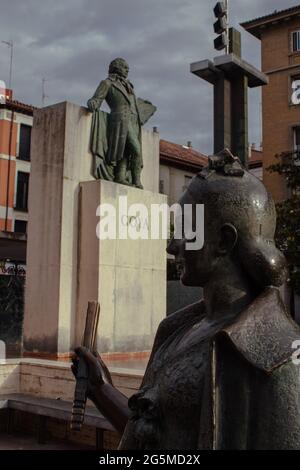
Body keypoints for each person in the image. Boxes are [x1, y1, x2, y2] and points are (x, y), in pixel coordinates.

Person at [72, 149, 300, 450]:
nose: (171, 245)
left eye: (185, 230)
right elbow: (149, 438)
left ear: (224, 241)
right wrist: (101, 389)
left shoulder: (278, 358)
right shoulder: (174, 331)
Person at [87, 58, 155, 189]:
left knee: (126, 151)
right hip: (120, 119)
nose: (127, 70)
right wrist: (92, 103)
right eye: (124, 67)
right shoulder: (107, 83)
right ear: (116, 67)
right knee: (135, 149)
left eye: (127, 68)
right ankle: (136, 180)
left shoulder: (129, 86)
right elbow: (97, 99)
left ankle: (120, 176)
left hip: (134, 121)